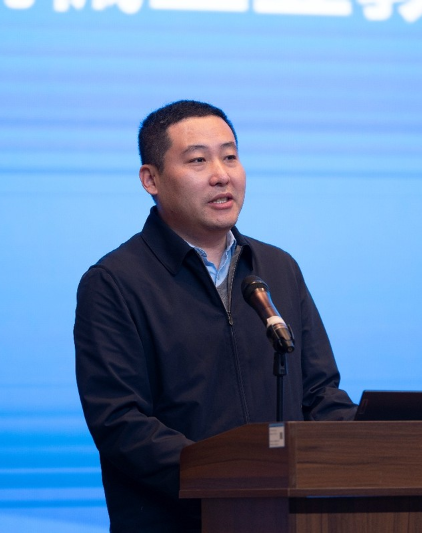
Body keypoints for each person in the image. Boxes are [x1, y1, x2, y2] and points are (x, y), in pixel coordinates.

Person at [74, 100, 356, 533]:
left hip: (283, 520)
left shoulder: (277, 268)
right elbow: (121, 423)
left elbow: (319, 396)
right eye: (198, 160)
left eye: (230, 157)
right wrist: (228, 474)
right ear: (151, 179)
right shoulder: (115, 282)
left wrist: (381, 445)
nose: (221, 175)